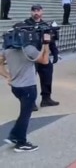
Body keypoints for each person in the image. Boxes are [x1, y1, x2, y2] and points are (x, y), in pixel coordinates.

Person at [0, 13, 52, 152]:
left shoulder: (7, 49)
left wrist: (7, 76)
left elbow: (0, 64)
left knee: (24, 113)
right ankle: (21, 143)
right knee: (25, 115)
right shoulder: (28, 49)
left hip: (16, 87)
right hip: (28, 88)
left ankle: (14, 136)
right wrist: (46, 45)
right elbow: (45, 61)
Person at [22, 5, 59, 110]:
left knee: (47, 78)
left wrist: (55, 53)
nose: (36, 13)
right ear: (31, 12)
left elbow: (50, 40)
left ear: (42, 12)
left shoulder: (45, 25)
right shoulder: (25, 25)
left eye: (38, 10)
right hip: (30, 58)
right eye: (34, 11)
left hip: (44, 56)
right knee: (30, 81)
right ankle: (31, 102)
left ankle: (46, 99)